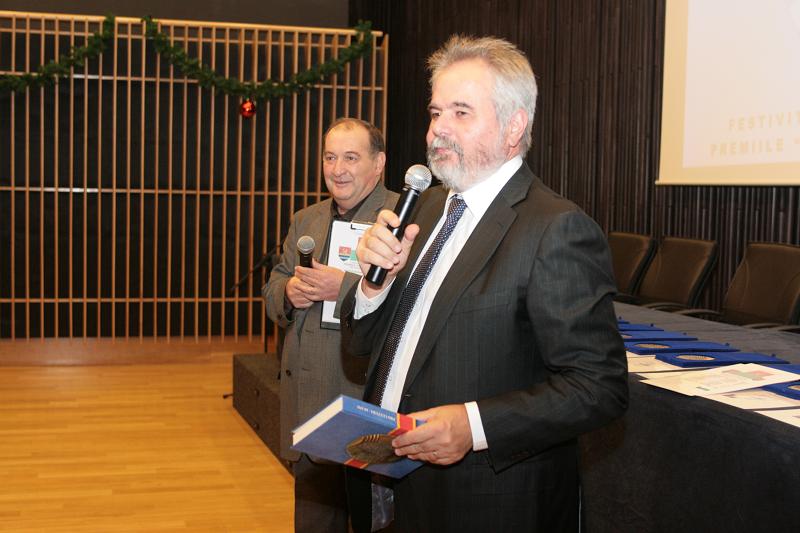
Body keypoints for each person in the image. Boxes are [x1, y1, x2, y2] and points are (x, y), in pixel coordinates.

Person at [341, 36, 629, 532]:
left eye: (460, 112)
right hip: (391, 484)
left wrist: (474, 426)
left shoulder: (555, 228)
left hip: (483, 502)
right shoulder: (428, 206)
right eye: (435, 113)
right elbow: (360, 346)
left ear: (514, 126)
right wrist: (373, 286)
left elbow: (598, 387)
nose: (438, 129)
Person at [263, 117, 399, 533]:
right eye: (330, 157)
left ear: (378, 163)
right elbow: (273, 286)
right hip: (308, 406)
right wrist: (288, 293)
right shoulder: (306, 219)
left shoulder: (403, 218)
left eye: (351, 158)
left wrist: (342, 288)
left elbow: (413, 300)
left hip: (364, 408)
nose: (338, 169)